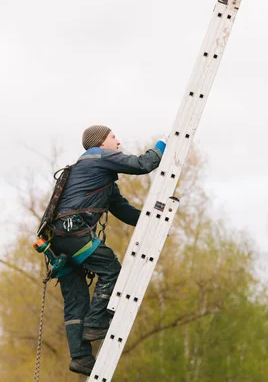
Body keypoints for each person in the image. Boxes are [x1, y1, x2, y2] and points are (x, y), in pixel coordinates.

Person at [49, 125, 166, 376]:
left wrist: (152, 219)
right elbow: (142, 164)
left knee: (76, 298)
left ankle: (81, 357)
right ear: (100, 142)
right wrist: (163, 146)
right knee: (110, 268)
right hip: (74, 232)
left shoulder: (95, 175)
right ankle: (94, 324)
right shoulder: (97, 156)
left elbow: (122, 210)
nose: (118, 141)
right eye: (113, 137)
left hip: (59, 240)